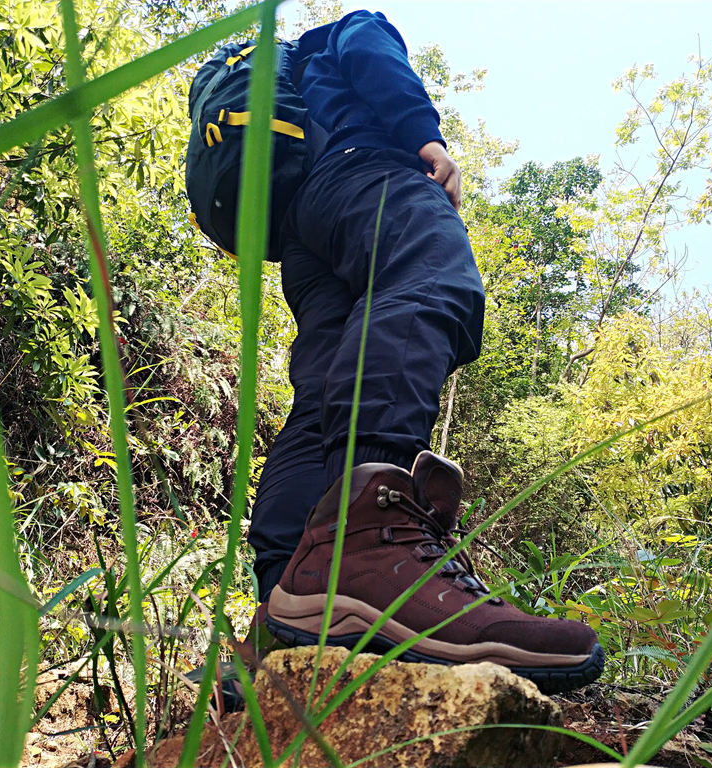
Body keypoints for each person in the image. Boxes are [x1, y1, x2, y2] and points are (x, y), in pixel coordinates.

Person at [246, 10, 604, 694]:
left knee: (320, 390)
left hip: (306, 227)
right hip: (369, 173)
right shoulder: (351, 27)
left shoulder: (294, 83)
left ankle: (282, 605)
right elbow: (371, 54)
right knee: (433, 275)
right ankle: (365, 540)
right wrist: (425, 137)